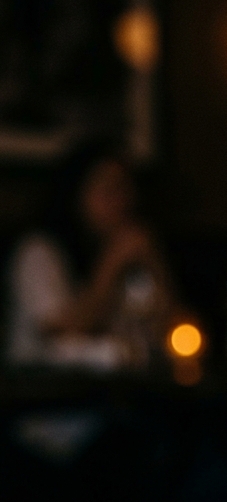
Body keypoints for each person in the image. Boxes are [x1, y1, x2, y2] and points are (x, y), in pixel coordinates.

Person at [5, 148, 173, 371]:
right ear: (76, 193)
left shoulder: (129, 253)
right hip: (44, 395)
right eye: (108, 190)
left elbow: (170, 333)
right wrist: (113, 264)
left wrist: (155, 265)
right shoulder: (39, 251)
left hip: (120, 393)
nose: (120, 201)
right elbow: (59, 332)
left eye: (125, 188)